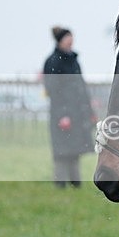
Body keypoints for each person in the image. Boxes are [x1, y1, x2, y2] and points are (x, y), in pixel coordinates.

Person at [43, 26, 95, 188]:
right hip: (63, 114)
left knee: (75, 150)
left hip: (77, 112)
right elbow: (53, 91)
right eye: (67, 38)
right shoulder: (53, 61)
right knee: (62, 151)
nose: (71, 41)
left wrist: (90, 111)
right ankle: (60, 184)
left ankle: (76, 183)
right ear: (60, 40)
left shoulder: (74, 60)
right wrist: (63, 115)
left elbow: (81, 87)